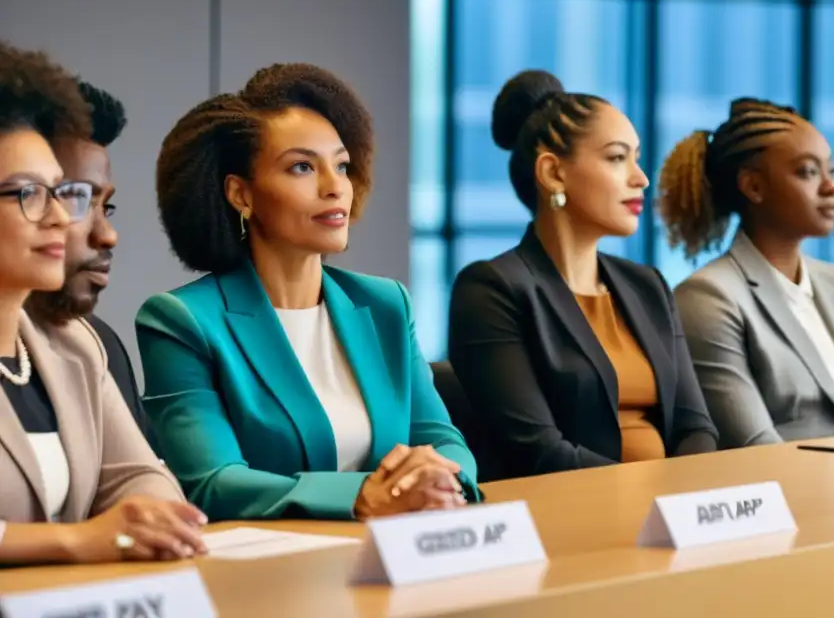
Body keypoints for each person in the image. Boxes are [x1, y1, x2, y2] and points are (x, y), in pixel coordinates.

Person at [135, 63, 479, 522]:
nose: (335, 186)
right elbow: (211, 481)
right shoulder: (181, 321)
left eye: (341, 165)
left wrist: (442, 480)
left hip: (399, 552)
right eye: (302, 167)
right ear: (241, 194)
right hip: (268, 573)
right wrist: (362, 496)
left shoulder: (385, 305)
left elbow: (442, 439)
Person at [448, 70, 717, 480]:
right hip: (574, 517)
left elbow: (694, 425)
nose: (640, 178)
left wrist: (686, 495)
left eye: (637, 157)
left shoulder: (648, 285)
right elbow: (538, 452)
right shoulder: (491, 289)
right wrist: (654, 493)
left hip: (672, 512)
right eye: (616, 157)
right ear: (553, 172)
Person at [0, 42, 204, 565]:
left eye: (60, 193)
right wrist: (76, 541)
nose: (59, 218)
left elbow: (139, 477)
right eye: (28, 193)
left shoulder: (73, 343)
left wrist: (153, 520)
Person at [662, 98, 834, 449]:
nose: (831, 187)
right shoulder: (708, 297)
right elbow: (756, 445)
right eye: (808, 172)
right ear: (753, 187)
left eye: (832, 171)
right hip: (791, 497)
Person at [25, 81, 149, 437]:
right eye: (76, 199)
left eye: (104, 206)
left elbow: (145, 477)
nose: (107, 235)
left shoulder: (95, 343)